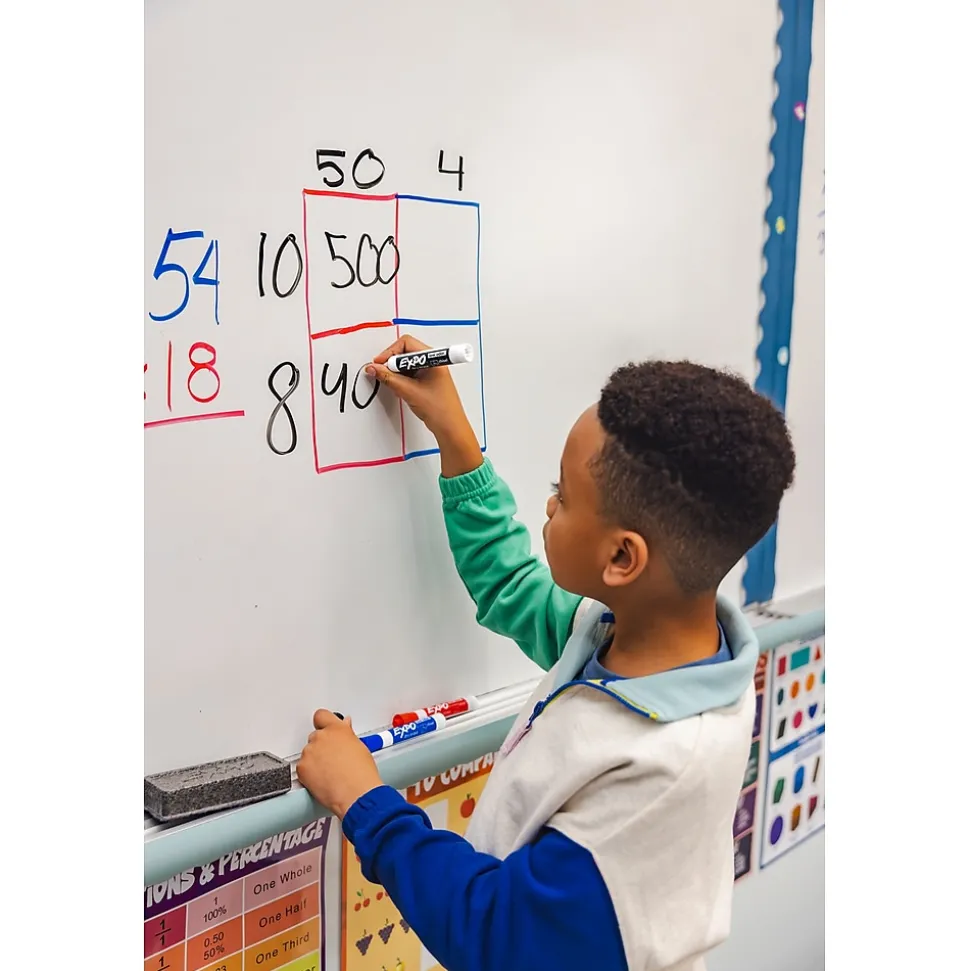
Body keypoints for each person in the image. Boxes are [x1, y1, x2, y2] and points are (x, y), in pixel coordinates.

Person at [297, 336, 795, 971]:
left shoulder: (663, 763)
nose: (550, 504)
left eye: (563, 494)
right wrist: (456, 440)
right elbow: (510, 583)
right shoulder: (635, 639)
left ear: (622, 558)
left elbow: (498, 936)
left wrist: (363, 800)